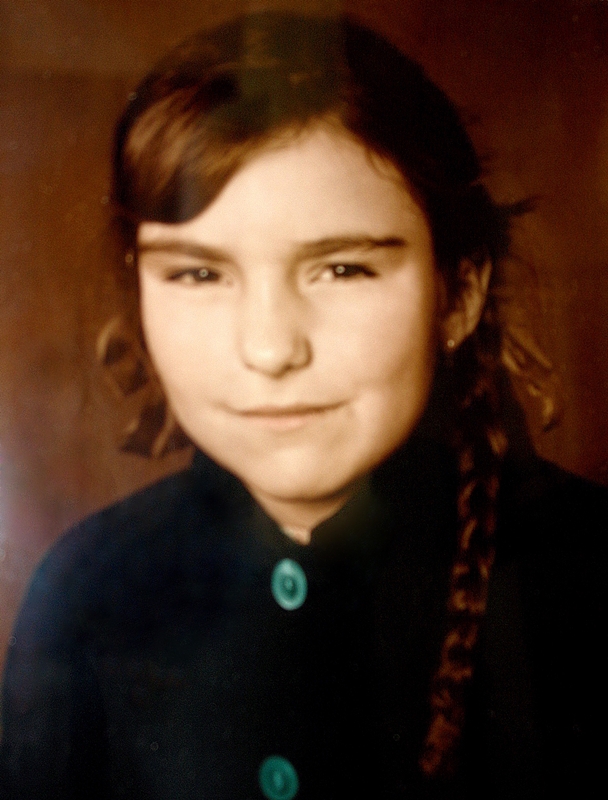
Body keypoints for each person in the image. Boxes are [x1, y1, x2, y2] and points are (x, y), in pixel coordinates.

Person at [1, 11, 606, 800]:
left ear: (458, 294)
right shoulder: (86, 590)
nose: (270, 349)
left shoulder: (590, 576)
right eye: (198, 274)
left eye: (343, 269)